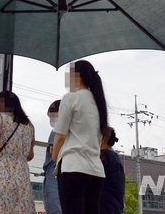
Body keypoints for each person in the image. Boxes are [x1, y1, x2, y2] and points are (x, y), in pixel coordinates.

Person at [52, 60, 108, 214]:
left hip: (73, 168)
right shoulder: (98, 102)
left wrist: (55, 158)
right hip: (96, 171)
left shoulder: (70, 98)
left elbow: (60, 136)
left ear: (77, 76)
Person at [99, 127, 125, 214]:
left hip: (104, 208)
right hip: (114, 207)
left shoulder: (104, 155)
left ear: (104, 139)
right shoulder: (115, 157)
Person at [43, 100, 62, 214]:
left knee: (54, 208)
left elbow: (53, 151)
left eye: (51, 117)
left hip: (53, 175)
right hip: (68, 176)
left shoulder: (57, 131)